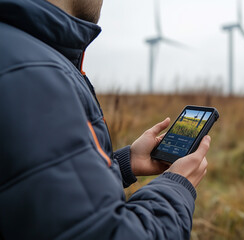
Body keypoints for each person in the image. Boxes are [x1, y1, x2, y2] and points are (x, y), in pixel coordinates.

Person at [0, 0, 210, 239]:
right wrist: (176, 186)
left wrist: (122, 164)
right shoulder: (36, 72)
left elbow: (42, 197)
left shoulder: (20, 50)